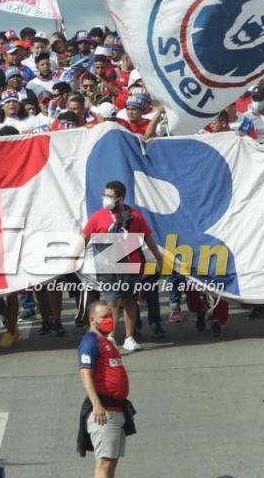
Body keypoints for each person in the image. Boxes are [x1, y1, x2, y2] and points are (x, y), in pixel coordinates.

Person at [81, 180, 162, 352]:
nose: (105, 199)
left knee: (130, 301)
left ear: (120, 198)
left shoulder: (134, 216)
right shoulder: (98, 216)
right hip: (107, 264)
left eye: (110, 196)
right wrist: (74, 257)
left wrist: (159, 258)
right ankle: (110, 336)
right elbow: (85, 236)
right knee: (113, 301)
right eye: (105, 195)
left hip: (130, 264)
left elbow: (147, 238)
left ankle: (129, 338)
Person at [77, 300, 132, 478]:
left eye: (110, 315)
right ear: (93, 319)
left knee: (111, 462)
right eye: (105, 317)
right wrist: (96, 404)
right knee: (105, 462)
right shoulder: (90, 342)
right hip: (104, 411)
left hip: (116, 409)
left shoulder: (107, 342)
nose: (110, 319)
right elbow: (85, 373)